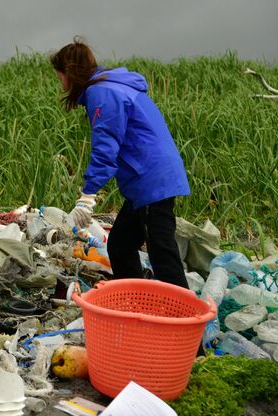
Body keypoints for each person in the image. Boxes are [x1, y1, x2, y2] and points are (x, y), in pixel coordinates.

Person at [51, 37, 190, 288]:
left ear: (70, 73)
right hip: (145, 180)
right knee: (121, 244)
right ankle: (136, 302)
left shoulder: (102, 93)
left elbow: (106, 147)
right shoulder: (110, 87)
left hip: (151, 179)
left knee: (162, 254)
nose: (60, 83)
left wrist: (87, 196)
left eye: (60, 76)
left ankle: (183, 318)